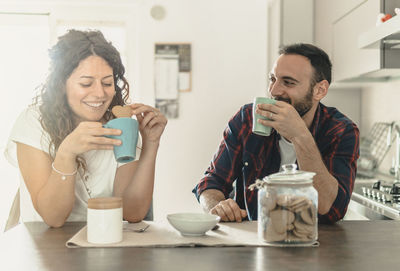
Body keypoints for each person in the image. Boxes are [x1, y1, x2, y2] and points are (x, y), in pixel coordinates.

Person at [4, 30, 167, 227]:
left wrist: (151, 144)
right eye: (86, 83)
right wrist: (66, 153)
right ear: (61, 85)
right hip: (45, 246)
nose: (99, 93)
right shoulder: (34, 122)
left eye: (107, 83)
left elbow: (132, 213)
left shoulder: (121, 127)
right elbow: (53, 218)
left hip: (101, 242)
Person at [192, 43, 359, 224]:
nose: (274, 91)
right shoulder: (247, 119)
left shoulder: (341, 131)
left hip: (312, 242)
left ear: (319, 90)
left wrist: (300, 136)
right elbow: (211, 182)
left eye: (288, 82)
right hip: (252, 239)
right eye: (272, 79)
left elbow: (331, 209)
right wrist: (217, 207)